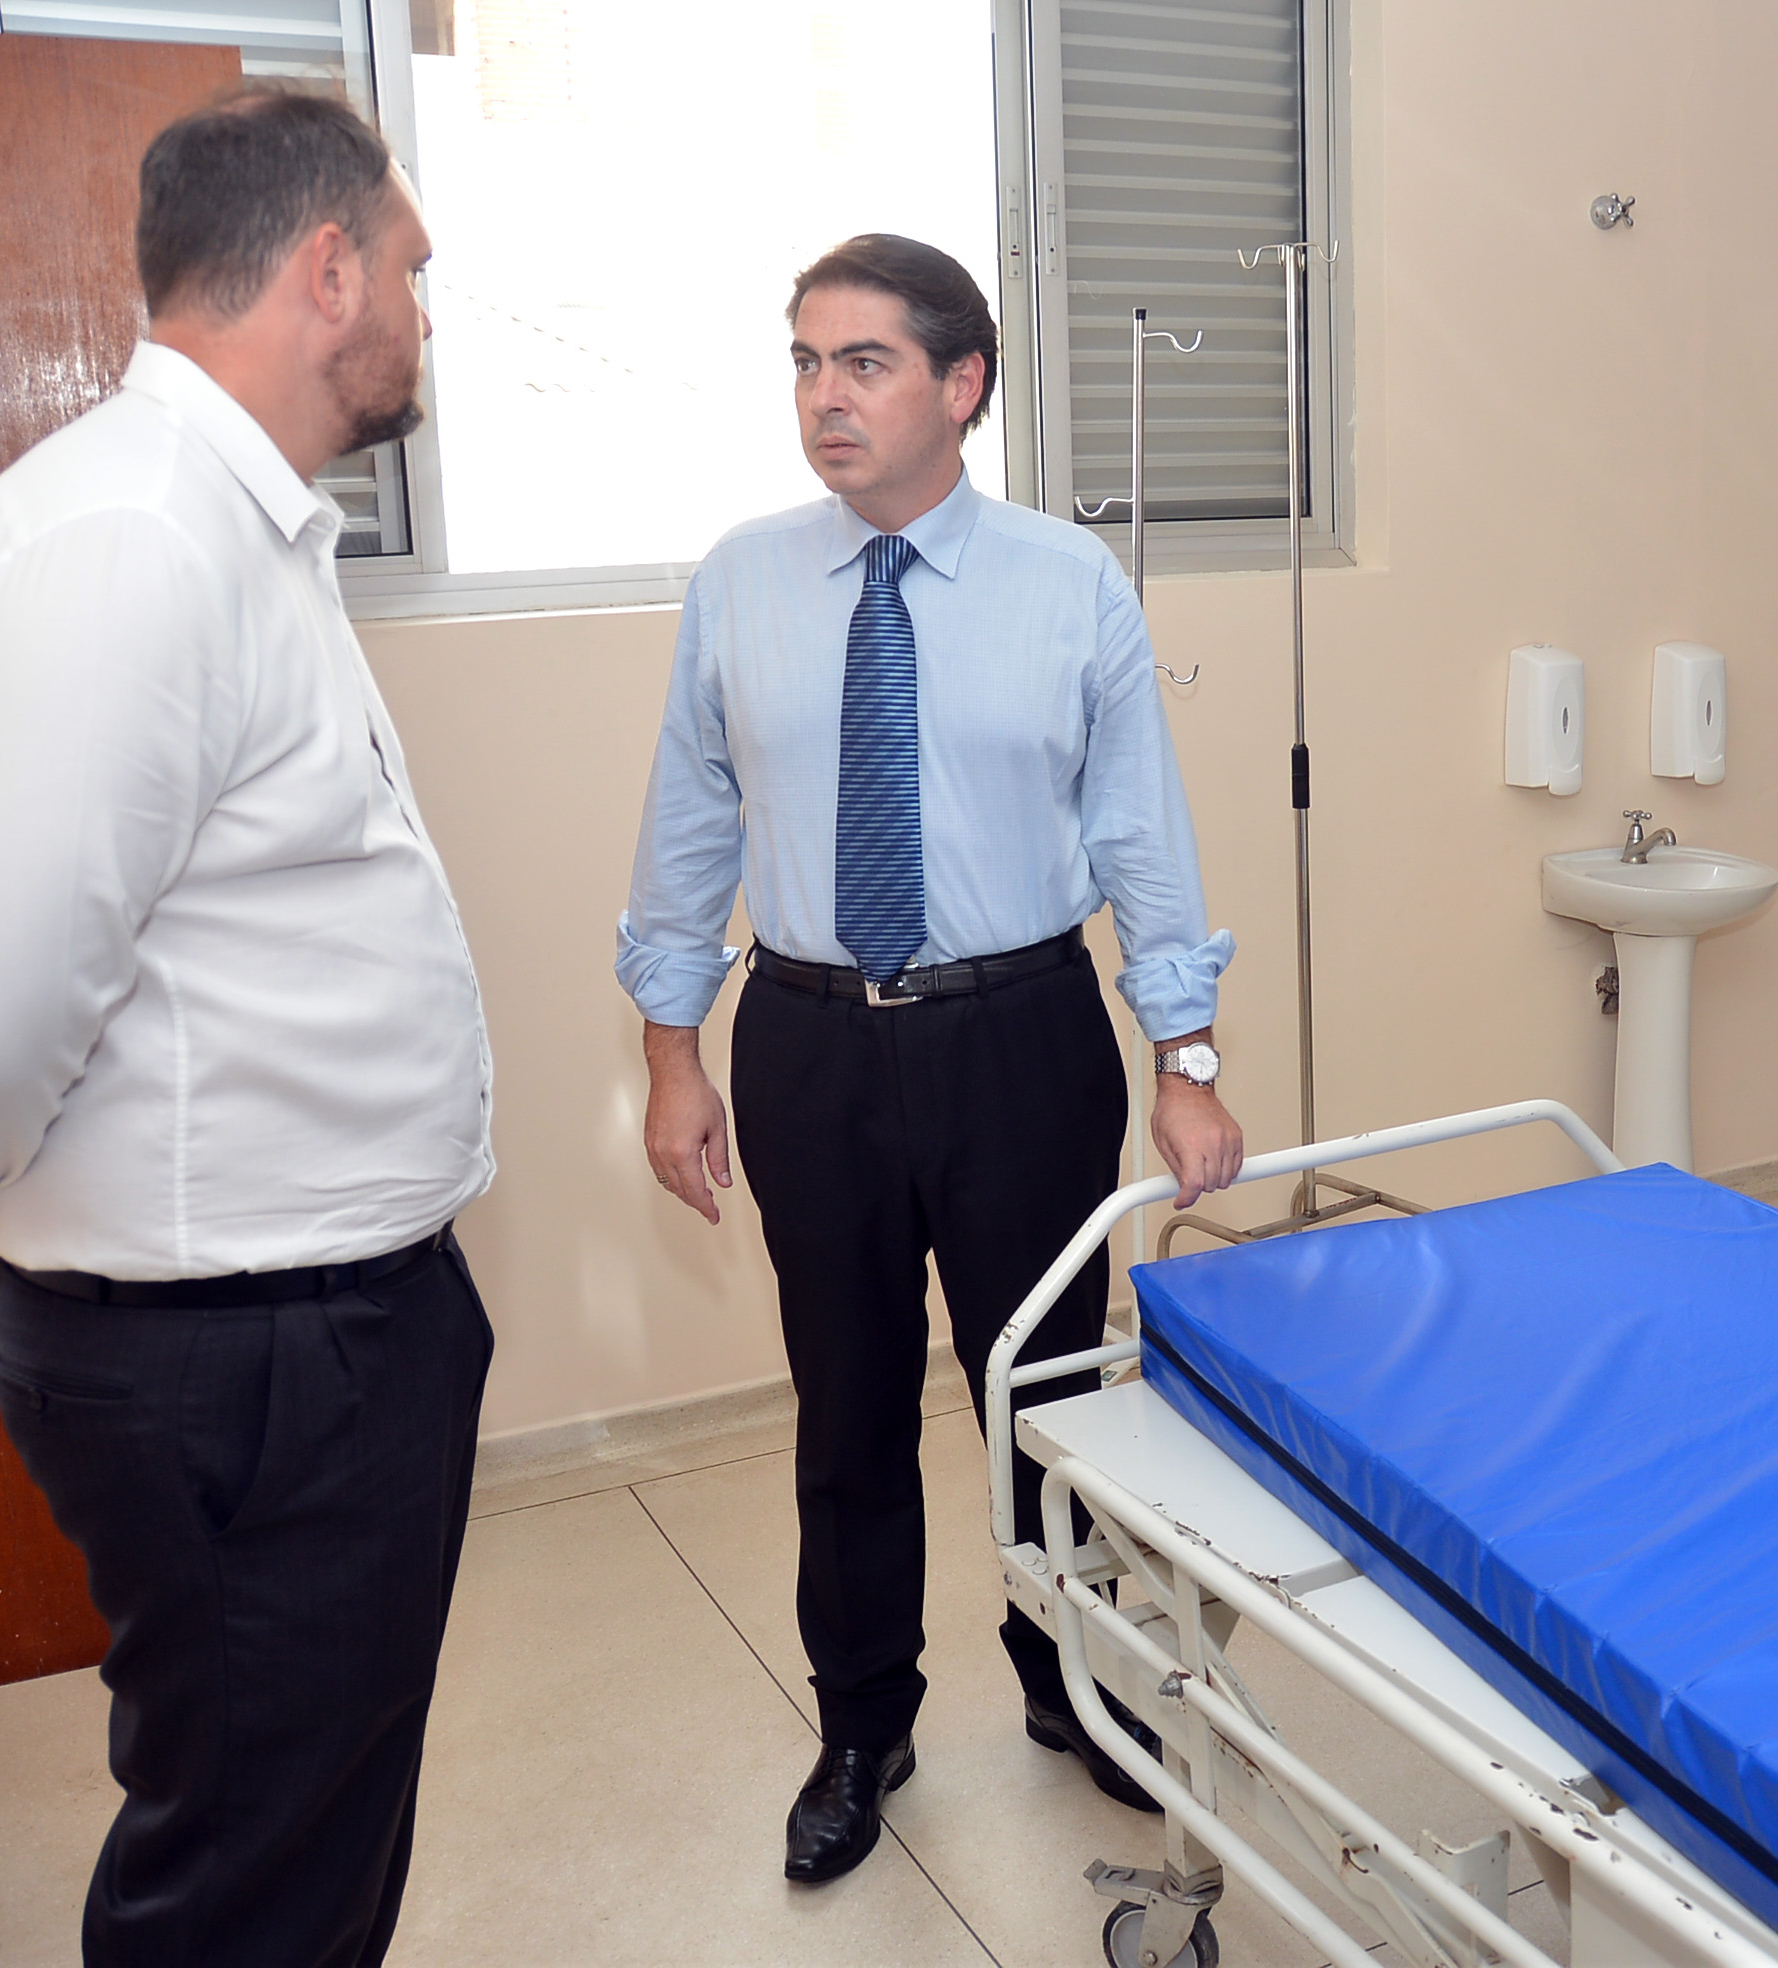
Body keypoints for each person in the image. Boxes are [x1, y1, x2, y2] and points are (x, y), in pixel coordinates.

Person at [0, 91, 494, 1966]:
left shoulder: (234, 531)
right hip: (251, 1361)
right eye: (414, 272)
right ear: (329, 271)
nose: (425, 316)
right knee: (244, 1880)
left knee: (295, 1833)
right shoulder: (130, 541)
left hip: (306, 1329)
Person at [618, 233, 1245, 1883]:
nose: (824, 398)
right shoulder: (743, 581)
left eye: (864, 363)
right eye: (805, 364)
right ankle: (861, 1723)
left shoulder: (1067, 583)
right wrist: (672, 1055)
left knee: (1043, 1388)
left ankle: (1068, 1676)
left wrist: (1185, 1057)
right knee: (846, 1405)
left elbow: (1142, 836)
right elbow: (687, 828)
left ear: (963, 385)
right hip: (810, 1043)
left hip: (1021, 1036)